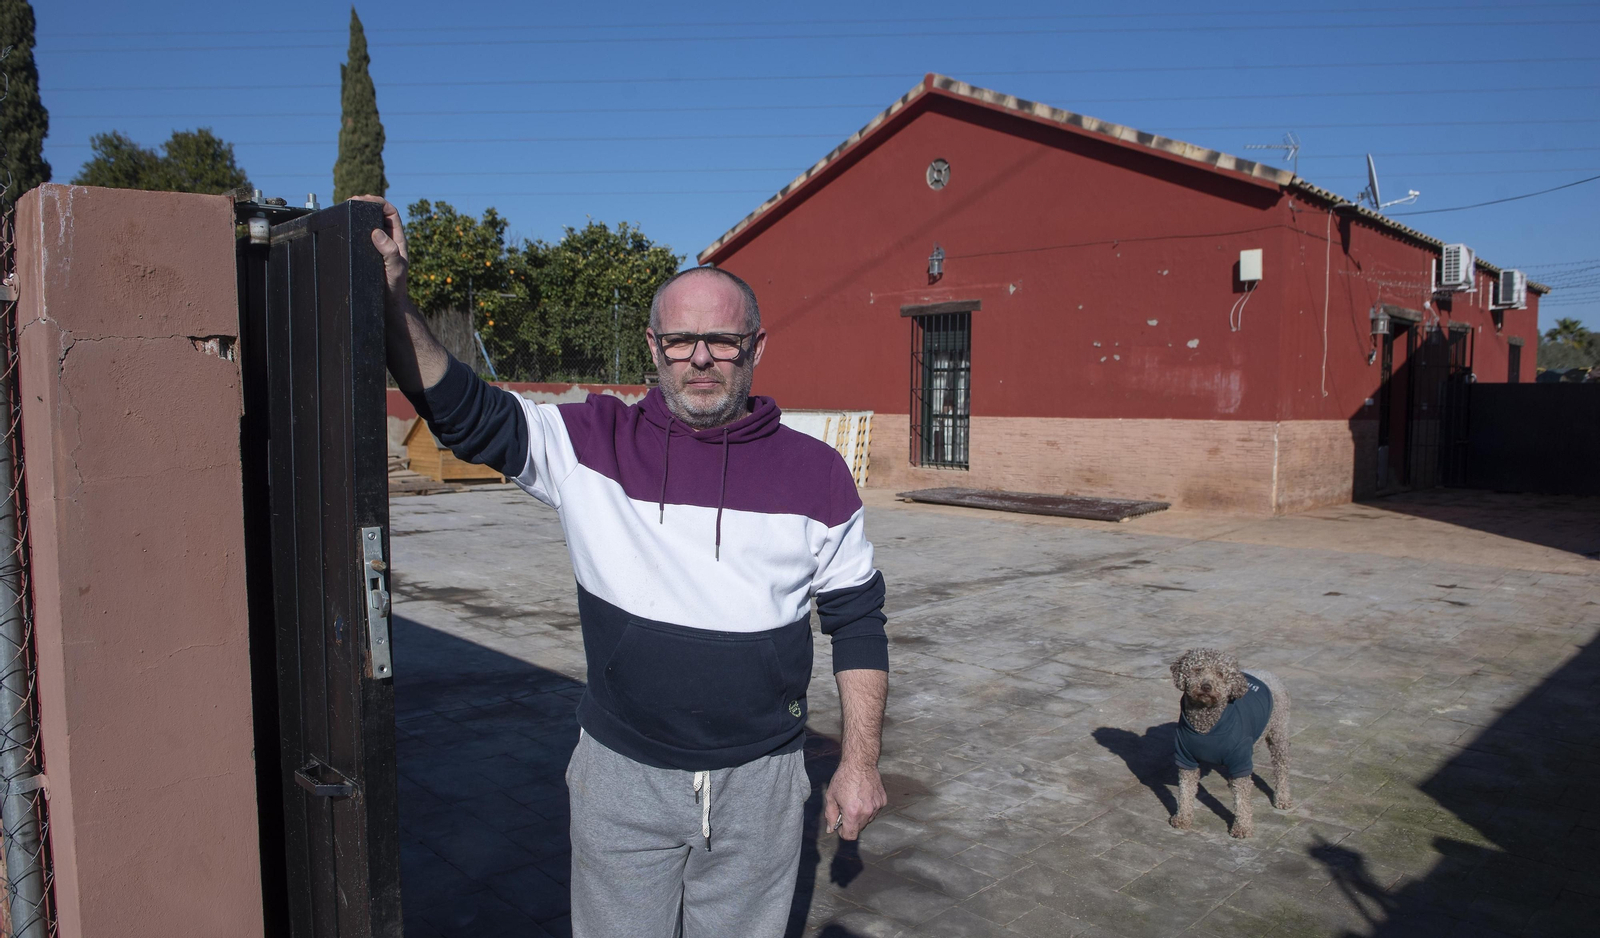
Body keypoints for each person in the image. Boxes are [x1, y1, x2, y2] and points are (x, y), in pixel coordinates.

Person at [355, 196, 890, 937]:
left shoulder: (819, 473)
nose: (699, 357)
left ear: (757, 347)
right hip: (621, 779)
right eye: (679, 340)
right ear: (652, 345)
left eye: (722, 340)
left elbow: (859, 623)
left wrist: (859, 762)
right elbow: (460, 409)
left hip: (761, 785)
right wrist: (392, 299)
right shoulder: (589, 444)